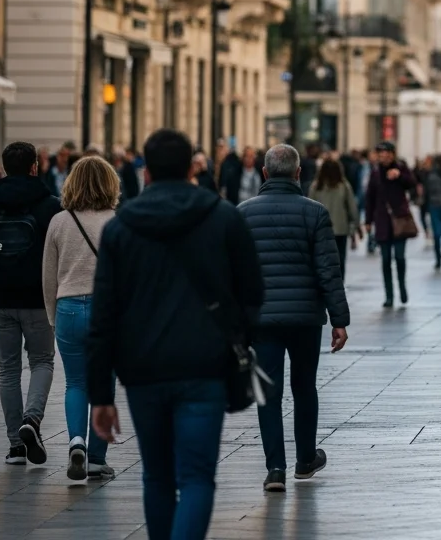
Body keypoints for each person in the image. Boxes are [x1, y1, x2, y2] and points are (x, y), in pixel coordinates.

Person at [87, 129, 264, 540]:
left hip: (143, 369)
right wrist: (233, 338)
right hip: (205, 366)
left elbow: (104, 315)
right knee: (198, 476)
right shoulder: (223, 218)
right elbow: (253, 294)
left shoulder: (120, 227)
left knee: (157, 475)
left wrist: (101, 394)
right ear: (191, 169)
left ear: (145, 171)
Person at [239, 145, 349, 493]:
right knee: (304, 387)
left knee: (268, 391)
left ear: (265, 173)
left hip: (262, 319)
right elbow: (329, 271)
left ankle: (275, 468)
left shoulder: (242, 214)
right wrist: (339, 319)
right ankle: (304, 459)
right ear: (300, 174)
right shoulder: (315, 213)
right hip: (304, 317)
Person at [0, 140, 62, 466]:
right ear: (34, 167)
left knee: (8, 371)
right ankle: (32, 419)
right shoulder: (49, 205)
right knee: (42, 361)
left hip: (0, 298)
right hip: (38, 297)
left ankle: (15, 446)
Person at [42, 154, 119, 480]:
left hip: (69, 307)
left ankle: (76, 440)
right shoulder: (118, 221)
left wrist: (52, 315)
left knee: (75, 382)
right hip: (107, 311)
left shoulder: (60, 221)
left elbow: (48, 276)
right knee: (104, 383)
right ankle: (97, 459)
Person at [364, 141, 417, 307]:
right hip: (382, 222)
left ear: (393, 154)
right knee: (386, 259)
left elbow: (413, 184)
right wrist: (368, 221)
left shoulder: (401, 168)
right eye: (380, 154)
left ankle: (402, 287)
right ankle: (389, 295)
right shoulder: (375, 173)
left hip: (399, 220)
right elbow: (369, 198)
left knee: (400, 257)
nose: (383, 156)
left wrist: (399, 176)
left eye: (386, 153)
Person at [309, 157, 360, 281]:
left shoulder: (316, 186)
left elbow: (309, 208)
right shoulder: (344, 186)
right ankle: (339, 283)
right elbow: (352, 209)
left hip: (320, 230)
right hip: (340, 230)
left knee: (323, 259)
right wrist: (356, 227)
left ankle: (325, 283)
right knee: (339, 259)